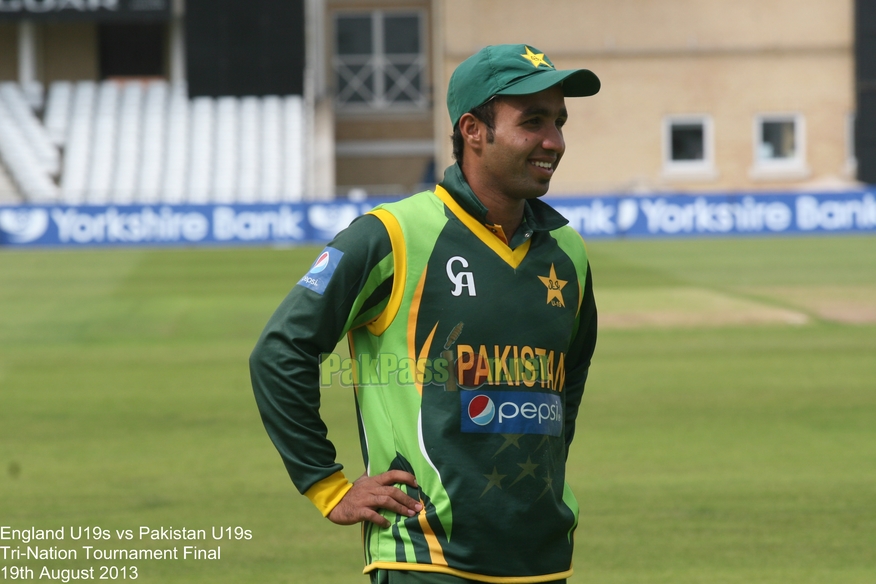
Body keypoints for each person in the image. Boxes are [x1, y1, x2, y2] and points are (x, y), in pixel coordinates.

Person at [250, 43, 599, 584]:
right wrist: (328, 484)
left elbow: (565, 388)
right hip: (425, 560)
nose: (553, 141)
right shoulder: (391, 235)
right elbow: (280, 351)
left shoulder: (568, 252)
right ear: (473, 130)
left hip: (542, 559)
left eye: (558, 121)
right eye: (532, 122)